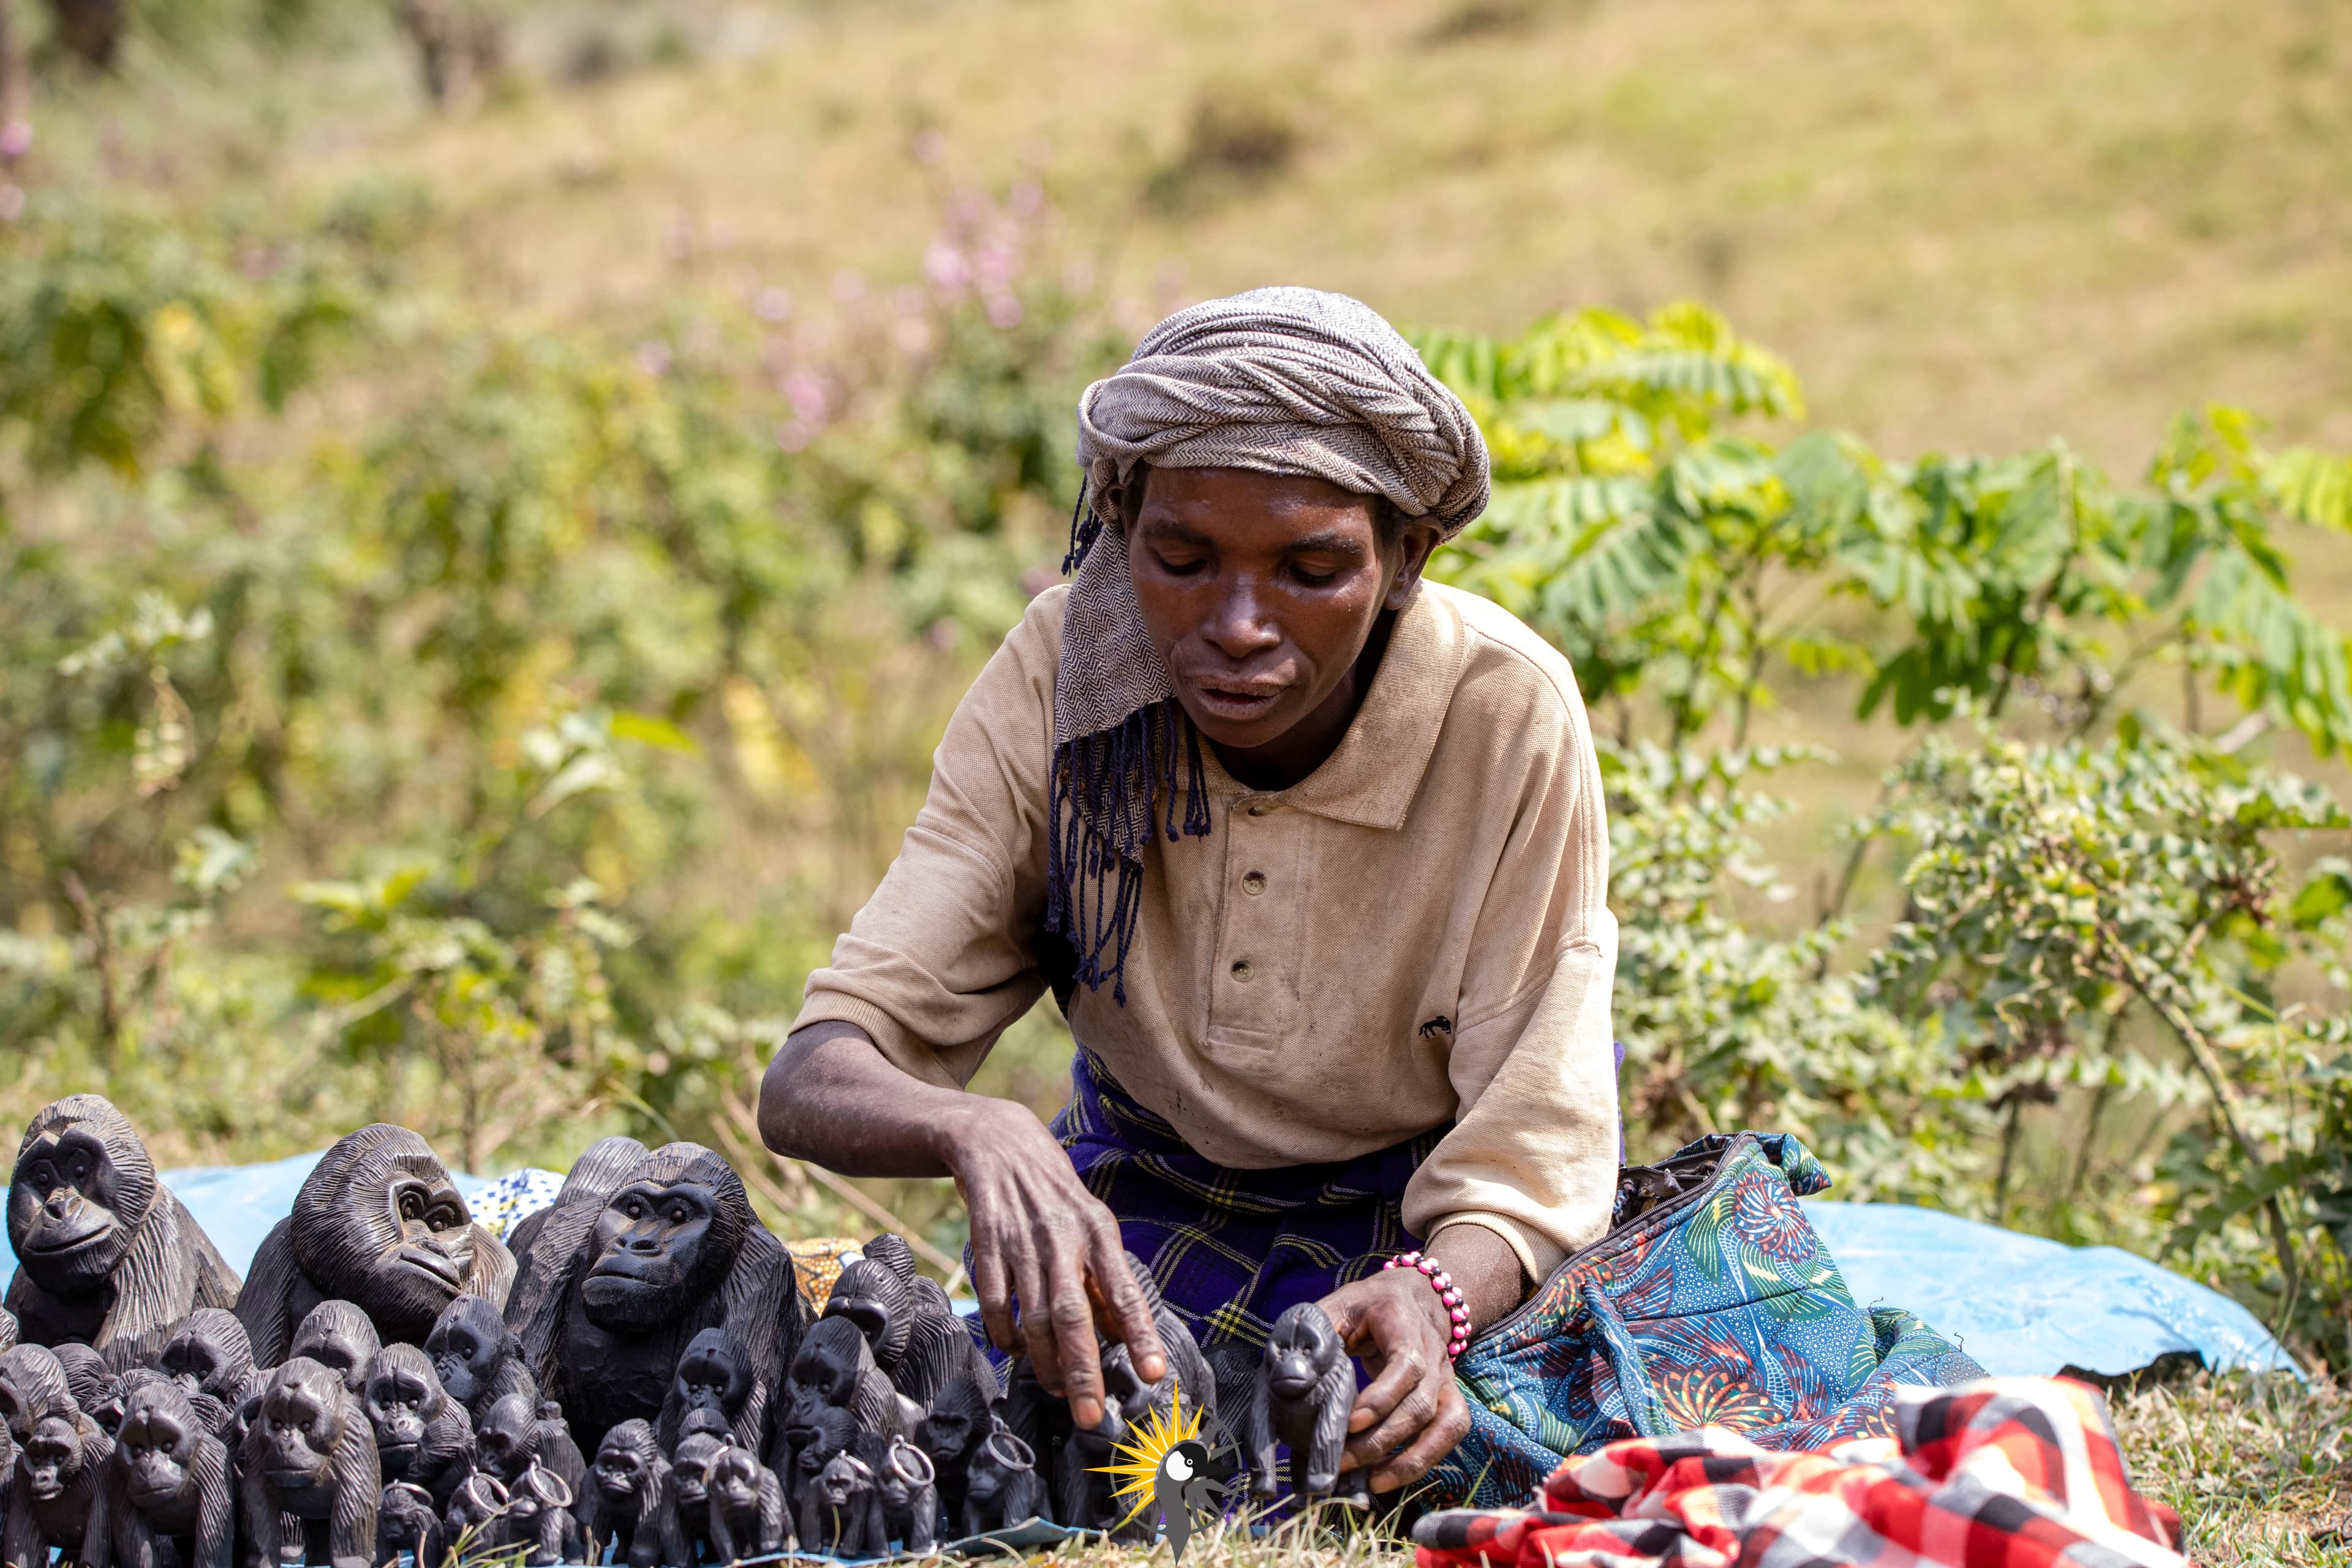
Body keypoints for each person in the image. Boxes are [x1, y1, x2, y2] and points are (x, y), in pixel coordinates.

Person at [759, 287, 1616, 1493]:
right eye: (1181, 557)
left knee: (1492, 1462)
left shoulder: (1506, 714)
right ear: (1123, 529)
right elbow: (812, 1073)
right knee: (1028, 1449)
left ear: (1408, 554)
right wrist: (980, 1126)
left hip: (1410, 1231)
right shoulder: (1062, 679)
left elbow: (1533, 1145)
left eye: (1312, 566)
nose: (1239, 624)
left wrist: (1438, 1298)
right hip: (1139, 1209)